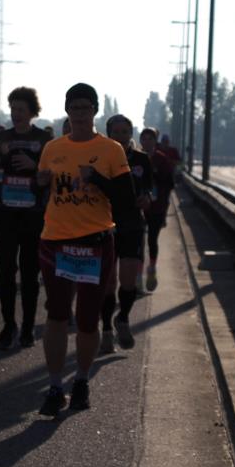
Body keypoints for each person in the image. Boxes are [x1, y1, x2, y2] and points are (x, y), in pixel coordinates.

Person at [35, 83, 134, 415]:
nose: (79, 113)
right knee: (57, 315)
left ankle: (81, 380)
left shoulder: (111, 151)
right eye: (73, 107)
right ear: (67, 111)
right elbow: (43, 190)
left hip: (95, 241)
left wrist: (97, 180)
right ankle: (53, 386)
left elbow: (125, 199)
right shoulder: (52, 148)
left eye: (85, 107)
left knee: (88, 320)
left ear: (94, 111)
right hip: (56, 240)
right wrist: (39, 185)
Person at [0, 86, 52, 349]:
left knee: (29, 272)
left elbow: (53, 175)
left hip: (33, 215)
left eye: (20, 109)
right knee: (4, 270)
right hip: (6, 213)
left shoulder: (44, 140)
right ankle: (8, 325)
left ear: (32, 111)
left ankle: (27, 327)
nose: (15, 114)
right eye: (12, 108)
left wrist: (35, 166)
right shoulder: (3, 138)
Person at [99, 115, 153, 353]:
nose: (120, 136)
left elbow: (151, 188)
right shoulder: (101, 156)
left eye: (124, 132)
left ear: (131, 134)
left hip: (132, 224)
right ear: (108, 133)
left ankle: (123, 319)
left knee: (128, 280)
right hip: (106, 224)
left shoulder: (141, 159)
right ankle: (107, 332)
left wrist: (147, 198)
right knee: (109, 282)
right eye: (116, 132)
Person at [145, 130, 181, 291]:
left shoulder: (163, 158)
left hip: (157, 205)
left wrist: (157, 176)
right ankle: (137, 276)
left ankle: (151, 268)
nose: (146, 142)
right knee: (137, 242)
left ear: (156, 141)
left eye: (149, 139)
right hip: (138, 207)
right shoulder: (135, 157)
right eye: (143, 139)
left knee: (152, 239)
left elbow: (170, 181)